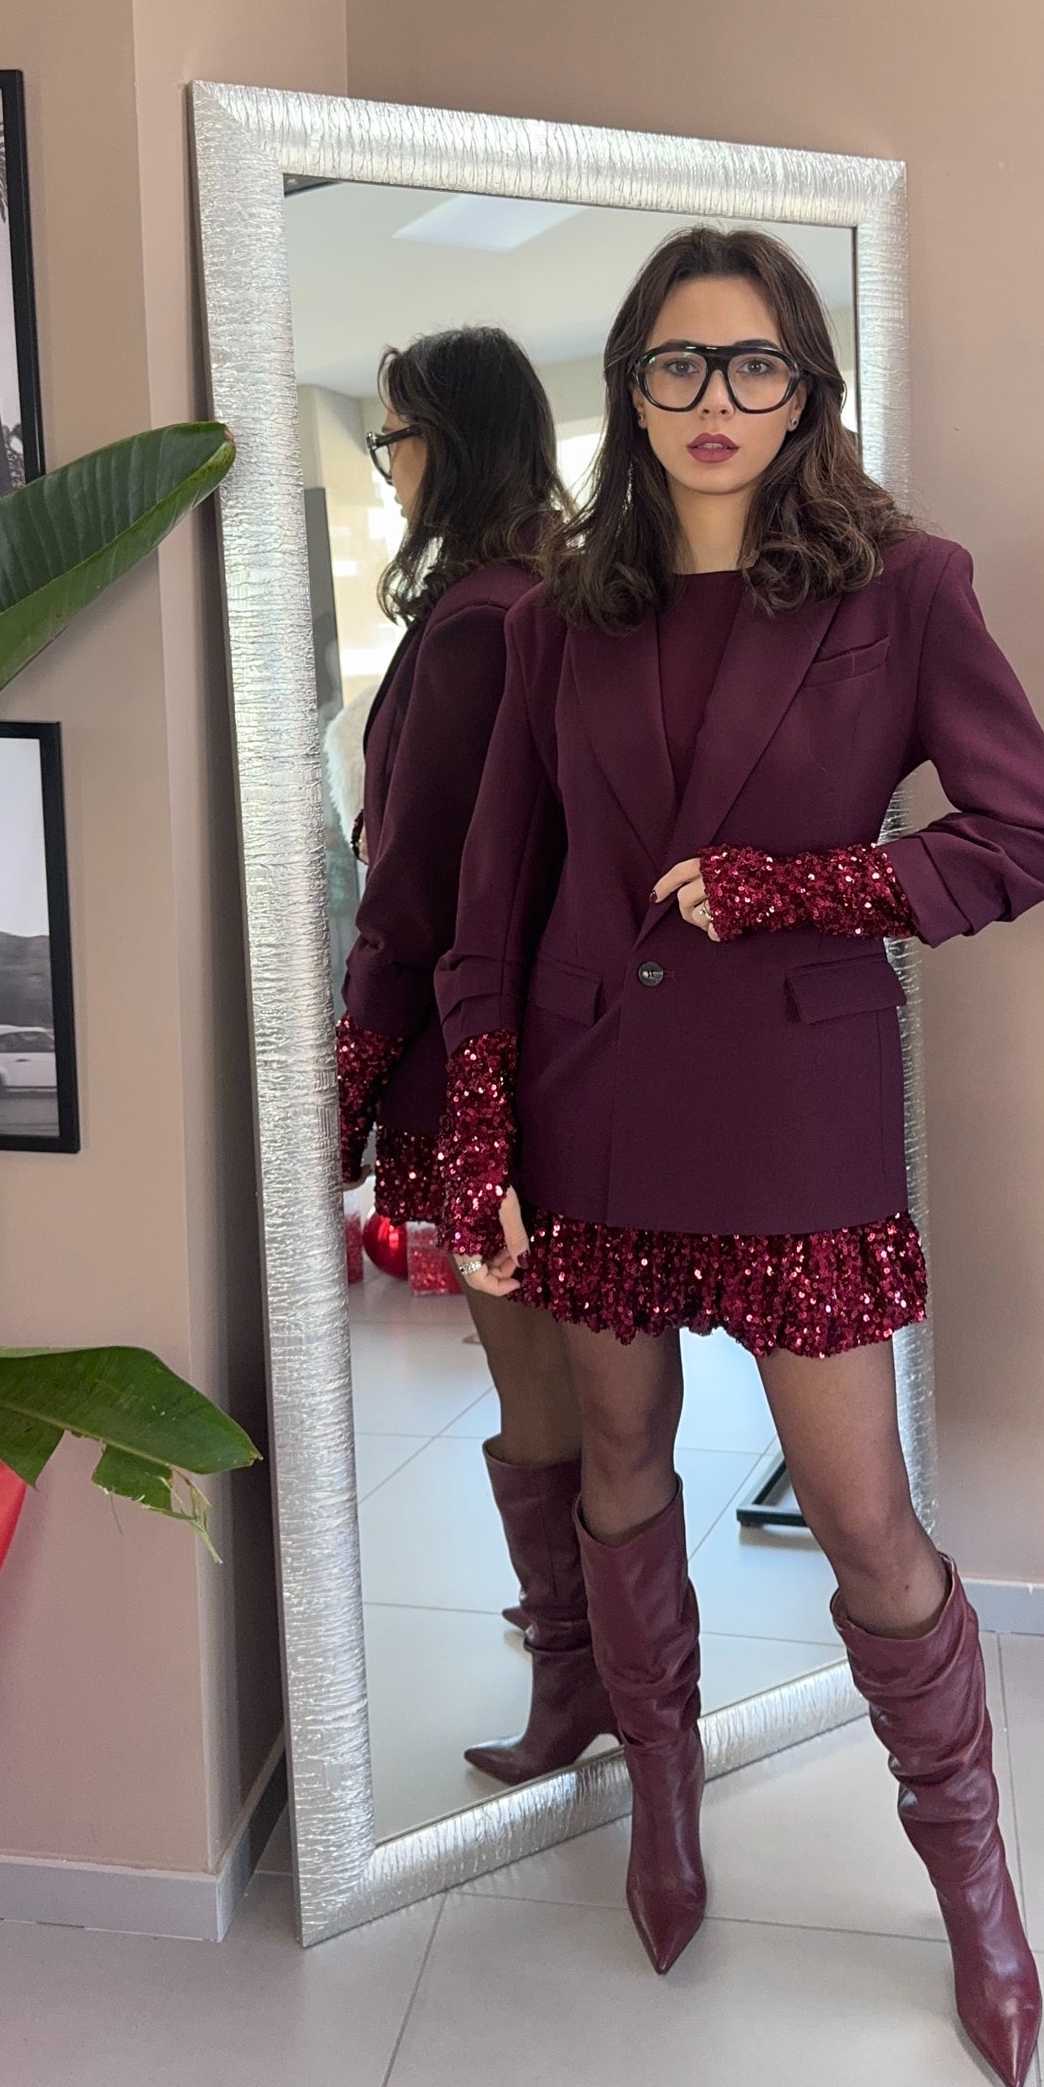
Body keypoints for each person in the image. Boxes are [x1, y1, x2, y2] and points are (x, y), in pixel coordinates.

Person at [437, 227, 1044, 2087]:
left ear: (804, 389)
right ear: (628, 390)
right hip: (593, 1102)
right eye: (674, 365)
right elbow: (493, 900)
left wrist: (808, 888)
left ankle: (974, 1890)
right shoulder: (557, 617)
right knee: (618, 1458)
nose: (711, 401)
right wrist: (478, 1128)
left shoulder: (906, 588)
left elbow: (1028, 837)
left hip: (796, 1112)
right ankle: (663, 1810)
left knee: (863, 1518)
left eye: (750, 366)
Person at [333, 326, 613, 1787]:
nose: (387, 466)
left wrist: (350, 1071)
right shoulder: (549, 593)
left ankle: (579, 1673)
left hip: (470, 1048)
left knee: (532, 1378)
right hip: (554, 1041)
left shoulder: (473, 625)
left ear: (450, 443)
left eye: (395, 437)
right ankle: (596, 1643)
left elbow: (417, 887)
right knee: (570, 1366)